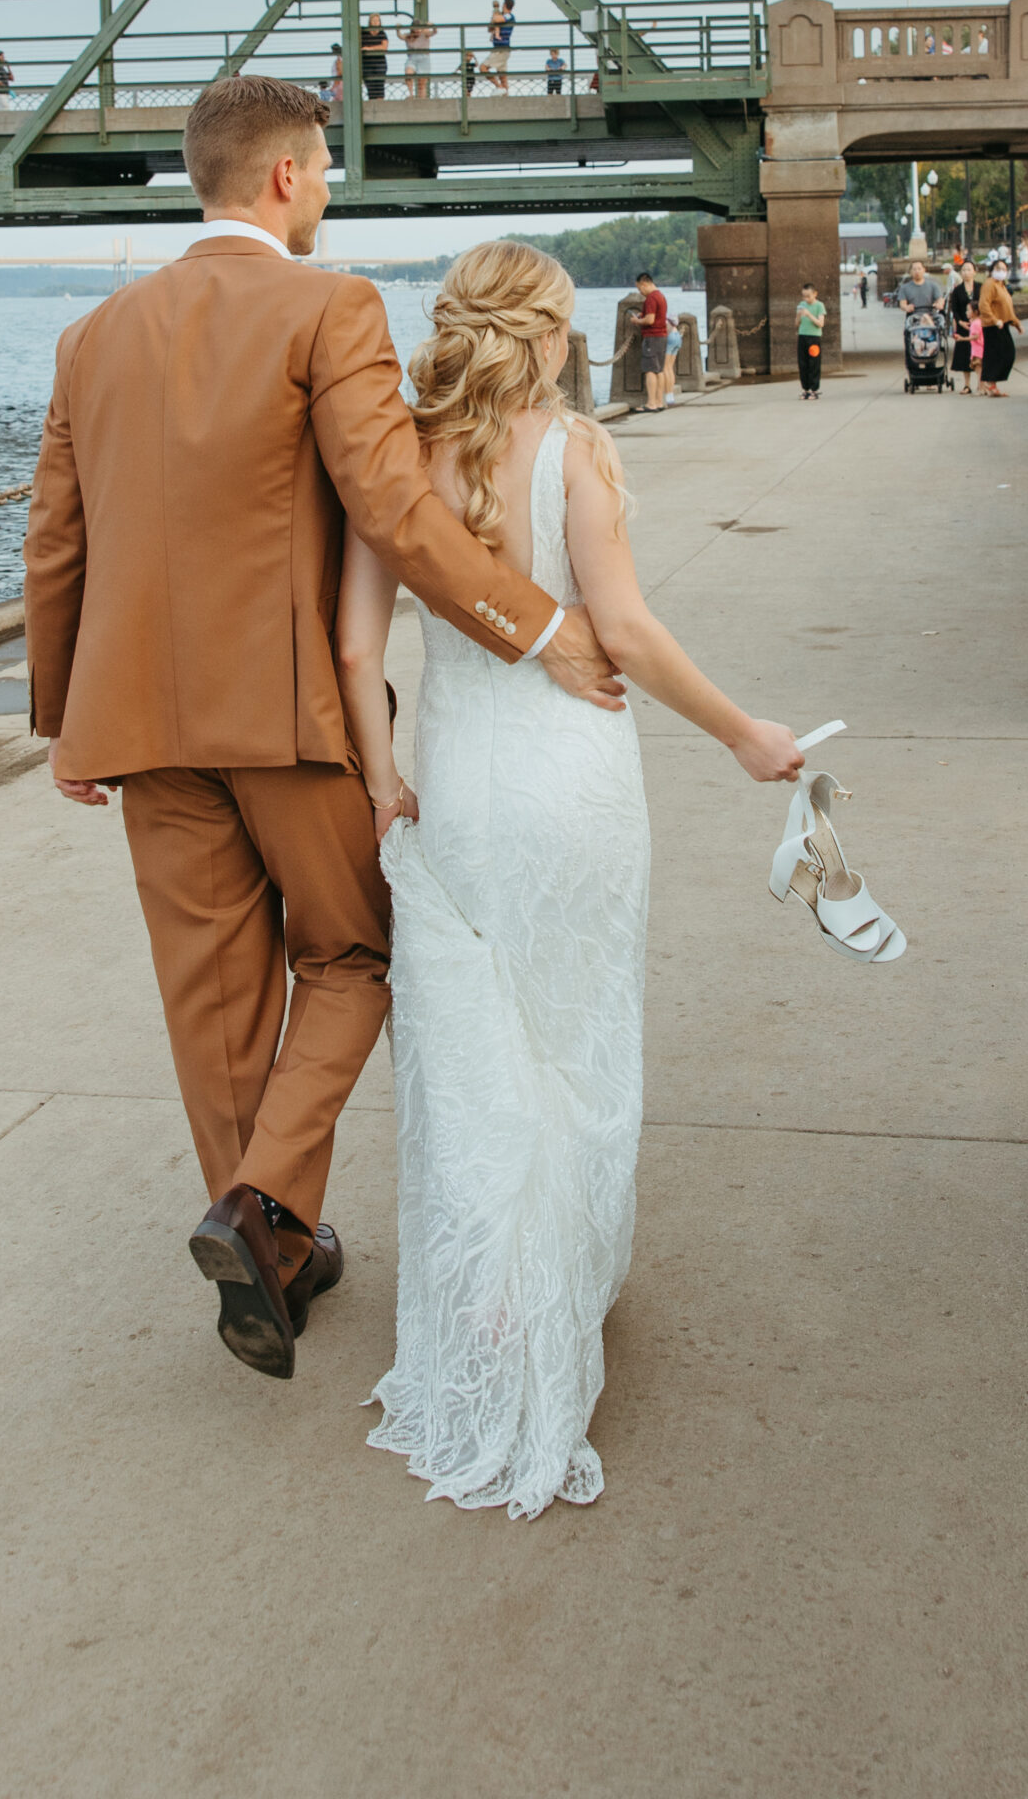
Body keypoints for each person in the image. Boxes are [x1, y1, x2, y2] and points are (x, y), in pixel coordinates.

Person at [25, 74, 626, 1386]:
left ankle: (275, 1252)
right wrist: (536, 624)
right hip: (287, 717)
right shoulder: (329, 306)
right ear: (289, 177)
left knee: (214, 1001)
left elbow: (57, 540)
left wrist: (60, 717)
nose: (329, 195)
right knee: (354, 955)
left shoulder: (92, 335)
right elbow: (398, 512)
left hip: (138, 724)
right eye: (326, 173)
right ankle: (258, 1214)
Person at [333, 241, 803, 1517]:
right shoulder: (577, 452)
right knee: (579, 1042)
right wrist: (745, 732)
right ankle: (561, 1294)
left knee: (481, 1049)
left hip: (463, 789)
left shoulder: (403, 461)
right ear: (545, 335)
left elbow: (355, 637)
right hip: (577, 786)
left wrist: (384, 778)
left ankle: (488, 1314)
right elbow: (629, 631)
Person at [978, 260, 1023, 396]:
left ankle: (992, 383)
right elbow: (983, 305)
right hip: (993, 325)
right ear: (992, 270)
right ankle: (990, 383)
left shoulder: (1002, 285)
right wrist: (993, 319)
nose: (1001, 271)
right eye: (998, 268)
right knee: (997, 355)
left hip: (1003, 324)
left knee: (1006, 354)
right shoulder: (989, 284)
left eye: (1004, 269)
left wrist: (1016, 323)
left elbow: (1007, 307)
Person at [632, 268, 668, 412]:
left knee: (650, 370)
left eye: (639, 288)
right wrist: (645, 313)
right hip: (662, 336)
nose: (640, 292)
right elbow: (656, 315)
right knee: (660, 370)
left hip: (652, 337)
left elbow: (650, 320)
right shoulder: (661, 296)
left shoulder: (651, 298)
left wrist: (637, 321)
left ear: (644, 283)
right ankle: (659, 402)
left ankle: (651, 403)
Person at [947, 258, 980, 394]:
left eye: (969, 270)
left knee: (979, 355)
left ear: (974, 272)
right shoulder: (957, 290)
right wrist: (960, 322)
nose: (966, 273)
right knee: (965, 354)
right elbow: (954, 309)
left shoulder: (980, 287)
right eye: (964, 270)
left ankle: (981, 383)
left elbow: (984, 305)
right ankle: (966, 384)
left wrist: (978, 321)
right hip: (963, 326)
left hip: (978, 326)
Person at [796, 281, 827, 399]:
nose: (806, 299)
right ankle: (805, 389)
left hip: (814, 338)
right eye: (804, 296)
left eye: (808, 296)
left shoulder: (819, 306)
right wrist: (798, 315)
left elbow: (820, 323)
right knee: (803, 363)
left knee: (814, 364)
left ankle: (814, 389)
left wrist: (809, 315)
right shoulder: (801, 305)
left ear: (815, 294)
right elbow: (796, 323)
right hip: (802, 336)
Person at [402, 17, 437, 94]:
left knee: (421, 83)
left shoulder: (425, 33)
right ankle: (411, 94)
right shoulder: (409, 35)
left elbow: (434, 32)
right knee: (408, 74)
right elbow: (401, 36)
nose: (417, 30)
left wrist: (432, 26)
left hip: (424, 57)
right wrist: (397, 30)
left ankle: (422, 101)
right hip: (412, 57)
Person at [360, 13, 389, 98]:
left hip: (380, 62)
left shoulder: (382, 33)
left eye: (377, 20)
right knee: (370, 85)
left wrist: (369, 48)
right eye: (374, 20)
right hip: (367, 63)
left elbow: (384, 47)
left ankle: (380, 104)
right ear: (370, 22)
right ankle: (372, 102)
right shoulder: (363, 33)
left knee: (379, 84)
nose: (376, 22)